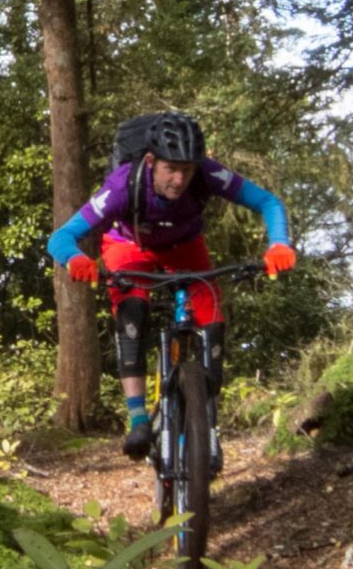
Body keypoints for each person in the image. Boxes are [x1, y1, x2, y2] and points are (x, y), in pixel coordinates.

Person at [44, 114, 296, 458]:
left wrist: (279, 243)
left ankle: (206, 422)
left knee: (211, 312)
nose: (179, 179)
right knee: (131, 313)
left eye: (187, 171)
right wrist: (76, 260)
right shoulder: (122, 186)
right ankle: (137, 420)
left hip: (185, 247)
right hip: (130, 245)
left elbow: (267, 201)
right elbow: (62, 236)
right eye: (171, 169)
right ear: (151, 162)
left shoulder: (206, 172)